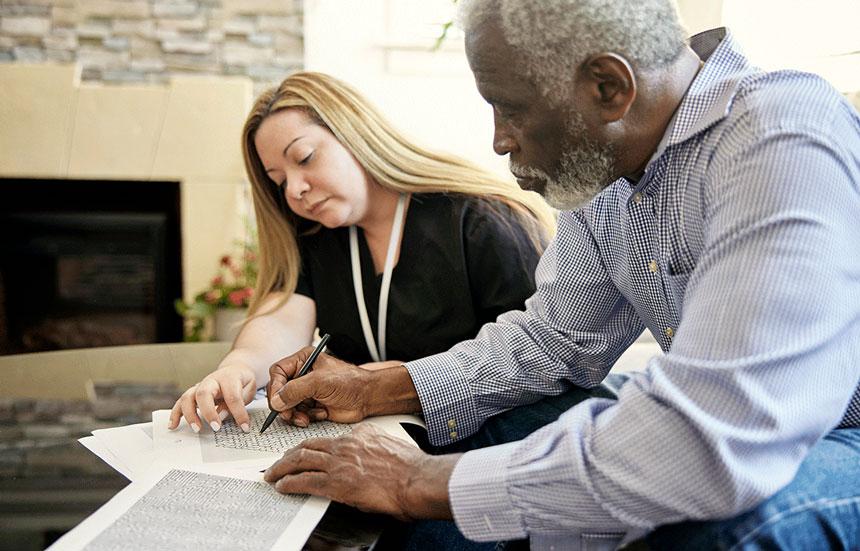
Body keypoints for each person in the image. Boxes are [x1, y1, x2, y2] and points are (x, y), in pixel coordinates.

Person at [260, 1, 860, 549]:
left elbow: (712, 439)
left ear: (609, 87)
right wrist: (374, 387)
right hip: (723, 418)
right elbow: (551, 343)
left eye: (510, 108)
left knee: (719, 528)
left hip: (835, 431)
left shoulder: (780, 136)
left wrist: (417, 482)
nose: (498, 140)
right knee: (474, 436)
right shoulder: (611, 175)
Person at [168, 71, 557, 435]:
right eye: (279, 180)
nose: (294, 190)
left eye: (304, 158)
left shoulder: (482, 221)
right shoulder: (318, 236)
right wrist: (236, 369)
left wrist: (380, 382)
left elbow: (536, 356)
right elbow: (281, 322)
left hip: (489, 441)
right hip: (372, 441)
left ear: (356, 135)